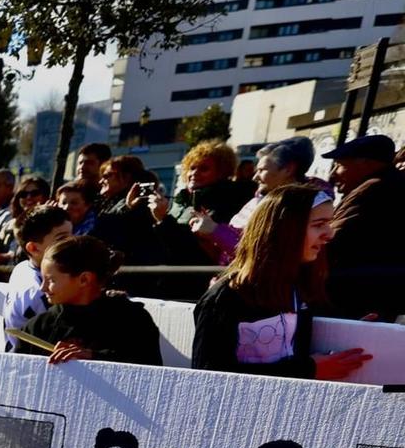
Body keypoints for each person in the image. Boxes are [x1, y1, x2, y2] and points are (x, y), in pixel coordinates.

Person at [192, 183, 373, 380]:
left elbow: (299, 348)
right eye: (319, 224)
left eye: (329, 223)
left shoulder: (303, 285)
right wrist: (308, 370)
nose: (329, 234)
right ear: (284, 230)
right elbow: (207, 374)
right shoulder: (226, 297)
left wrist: (353, 333)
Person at [22, 236, 164, 366]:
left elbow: (149, 370)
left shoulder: (132, 320)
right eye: (43, 279)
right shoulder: (38, 328)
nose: (43, 288)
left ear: (84, 279)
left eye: (51, 280)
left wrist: (94, 358)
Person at [322, 134, 405, 320]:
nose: (333, 174)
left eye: (340, 165)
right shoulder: (391, 183)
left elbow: (332, 239)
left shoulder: (374, 189)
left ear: (366, 163)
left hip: (361, 294)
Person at [4, 205, 74, 345]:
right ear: (34, 248)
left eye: (72, 235)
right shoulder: (43, 292)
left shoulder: (22, 267)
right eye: (61, 239)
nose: (72, 242)